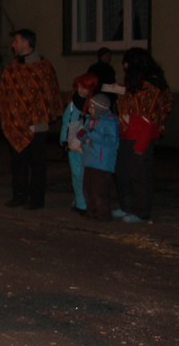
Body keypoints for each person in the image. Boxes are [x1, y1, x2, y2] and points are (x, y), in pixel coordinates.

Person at [0, 28, 61, 210]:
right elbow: (3, 93)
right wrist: (8, 116)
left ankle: (36, 199)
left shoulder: (43, 67)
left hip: (37, 126)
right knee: (17, 163)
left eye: (16, 41)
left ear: (26, 42)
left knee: (37, 164)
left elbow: (49, 94)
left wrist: (36, 118)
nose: (12, 45)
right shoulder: (12, 68)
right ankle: (19, 195)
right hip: (15, 126)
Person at [112, 48, 172, 224]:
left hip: (141, 135)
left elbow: (150, 116)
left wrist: (143, 140)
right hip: (126, 134)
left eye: (127, 63)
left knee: (139, 173)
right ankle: (126, 206)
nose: (124, 67)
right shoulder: (135, 84)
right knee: (122, 171)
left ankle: (141, 211)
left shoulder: (152, 86)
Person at [61, 73, 100, 215]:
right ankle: (80, 200)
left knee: (81, 174)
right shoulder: (73, 102)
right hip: (73, 142)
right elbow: (66, 121)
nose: (81, 90)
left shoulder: (92, 104)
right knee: (77, 174)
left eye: (85, 88)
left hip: (84, 143)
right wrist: (64, 140)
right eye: (80, 87)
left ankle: (82, 203)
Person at [80, 93, 119, 221]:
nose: (89, 109)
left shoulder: (110, 121)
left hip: (102, 163)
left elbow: (111, 141)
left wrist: (91, 134)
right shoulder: (91, 120)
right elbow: (84, 133)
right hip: (90, 160)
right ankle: (91, 212)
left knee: (99, 191)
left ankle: (103, 215)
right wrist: (82, 136)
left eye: (91, 107)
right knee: (88, 188)